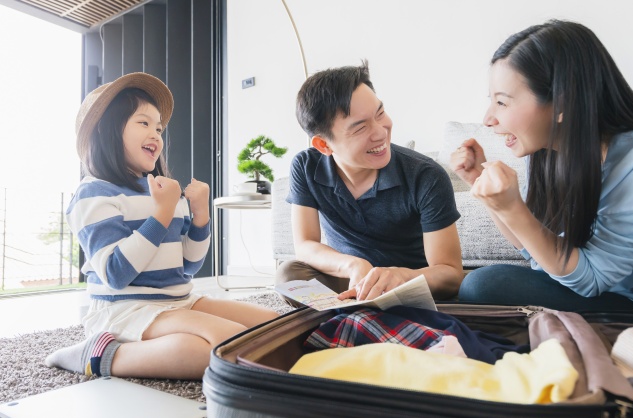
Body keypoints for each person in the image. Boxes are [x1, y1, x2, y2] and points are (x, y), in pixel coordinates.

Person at [451, 20, 633, 314]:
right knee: (486, 285)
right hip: (625, 297)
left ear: (562, 103)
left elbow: (590, 279)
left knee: (485, 285)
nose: (488, 119)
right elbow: (542, 257)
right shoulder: (552, 154)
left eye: (502, 102)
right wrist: (483, 188)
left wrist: (513, 208)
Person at [45, 72, 278, 380]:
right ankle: (96, 354)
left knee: (274, 326)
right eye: (143, 123)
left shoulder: (164, 191)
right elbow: (115, 273)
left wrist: (200, 215)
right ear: (106, 131)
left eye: (158, 127)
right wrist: (162, 214)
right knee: (227, 345)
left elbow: (189, 266)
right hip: (125, 309)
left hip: (179, 301)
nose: (155, 134)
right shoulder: (93, 194)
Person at [275, 61, 464, 303]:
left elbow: (450, 274)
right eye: (360, 128)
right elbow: (305, 244)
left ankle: (364, 309)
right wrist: (352, 265)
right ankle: (357, 305)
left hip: (409, 283)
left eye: (380, 114)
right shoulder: (306, 166)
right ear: (324, 144)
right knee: (289, 276)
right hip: (352, 278)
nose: (381, 132)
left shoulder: (425, 175)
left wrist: (399, 276)